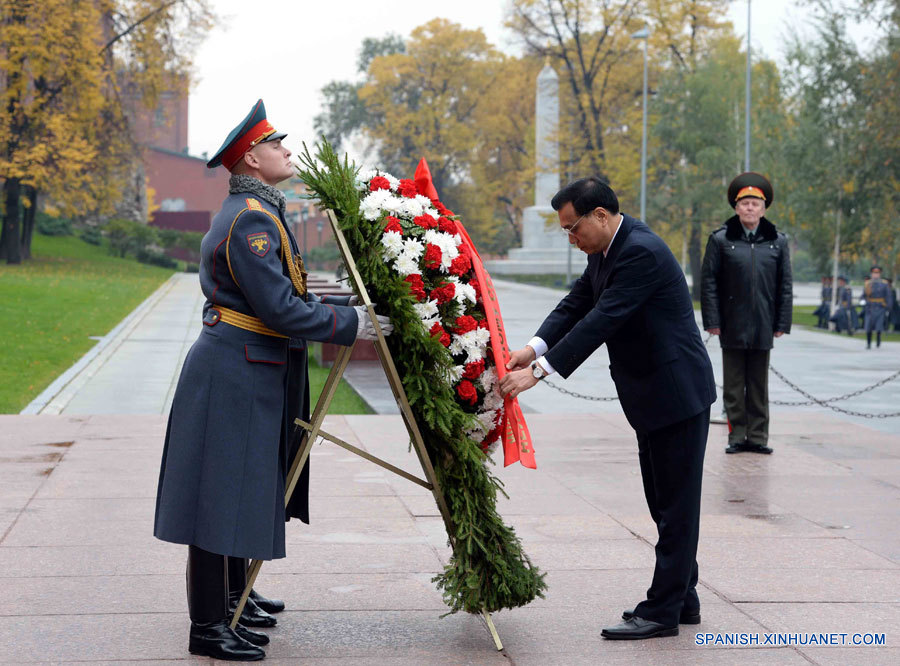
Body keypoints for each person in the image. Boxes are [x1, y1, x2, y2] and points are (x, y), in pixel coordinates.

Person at [153, 100, 393, 661]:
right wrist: (350, 323)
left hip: (247, 365)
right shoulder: (251, 221)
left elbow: (287, 296)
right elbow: (280, 309)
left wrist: (337, 304)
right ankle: (208, 626)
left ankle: (233, 601)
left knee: (238, 490)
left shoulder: (257, 212)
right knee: (217, 498)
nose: (288, 150)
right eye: (277, 144)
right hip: (233, 369)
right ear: (253, 160)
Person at [499, 177, 715, 640]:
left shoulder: (641, 251)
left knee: (675, 507)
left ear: (601, 216)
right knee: (664, 503)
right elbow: (576, 304)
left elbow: (603, 319)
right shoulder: (603, 252)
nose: (571, 239)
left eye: (573, 228)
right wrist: (532, 348)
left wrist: (538, 374)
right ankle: (684, 597)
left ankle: (661, 610)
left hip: (677, 395)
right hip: (652, 397)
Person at [700, 172, 792, 455]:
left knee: (758, 386)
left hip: (764, 323)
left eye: (755, 203)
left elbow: (784, 285)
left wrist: (781, 322)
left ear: (764, 209)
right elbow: (709, 283)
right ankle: (737, 436)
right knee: (734, 385)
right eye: (745, 203)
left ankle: (758, 437)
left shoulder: (777, 242)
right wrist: (713, 321)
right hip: (731, 323)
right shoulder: (720, 240)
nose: (750, 208)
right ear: (736, 208)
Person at [862, 265, 892, 348]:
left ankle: (878, 338)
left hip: (880, 307)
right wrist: (863, 301)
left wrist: (889, 307)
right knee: (868, 326)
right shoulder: (867, 283)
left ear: (880, 274)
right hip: (870, 307)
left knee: (879, 326)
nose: (875, 275)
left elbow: (888, 296)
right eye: (874, 273)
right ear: (871, 273)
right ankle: (868, 343)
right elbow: (863, 295)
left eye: (877, 273)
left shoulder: (884, 284)